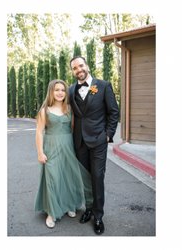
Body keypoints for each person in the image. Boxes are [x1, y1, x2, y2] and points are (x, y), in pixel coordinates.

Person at [69, 56, 119, 235]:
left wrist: (108, 135)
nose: (79, 70)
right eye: (75, 68)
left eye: (81, 65)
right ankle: (88, 208)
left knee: (97, 177)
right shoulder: (70, 89)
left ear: (87, 66)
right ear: (72, 71)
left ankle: (98, 216)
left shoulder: (103, 86)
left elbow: (113, 112)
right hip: (79, 142)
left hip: (99, 141)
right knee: (85, 179)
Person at [35, 79, 93, 229]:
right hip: (51, 147)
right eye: (56, 90)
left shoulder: (69, 109)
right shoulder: (44, 111)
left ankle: (69, 205)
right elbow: (39, 133)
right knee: (53, 179)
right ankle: (51, 213)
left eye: (62, 90)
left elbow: (73, 129)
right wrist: (40, 152)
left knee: (69, 177)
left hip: (68, 147)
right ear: (51, 92)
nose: (60, 92)